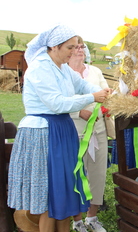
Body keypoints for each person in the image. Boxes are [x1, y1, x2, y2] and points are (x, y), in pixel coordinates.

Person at [7, 24, 110, 232]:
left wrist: (101, 90)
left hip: (61, 129)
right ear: (54, 47)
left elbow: (81, 85)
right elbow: (57, 103)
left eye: (76, 47)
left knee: (64, 187)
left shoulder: (62, 68)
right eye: (69, 48)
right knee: (50, 190)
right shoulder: (39, 68)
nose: (74, 52)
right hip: (43, 132)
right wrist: (92, 97)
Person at [69, 36, 109, 232]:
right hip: (72, 132)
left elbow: (104, 93)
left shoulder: (95, 71)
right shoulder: (62, 72)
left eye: (82, 46)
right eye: (75, 47)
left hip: (98, 130)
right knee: (75, 175)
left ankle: (92, 218)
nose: (80, 50)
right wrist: (78, 112)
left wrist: (108, 101)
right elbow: (55, 102)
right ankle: (77, 220)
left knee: (98, 173)